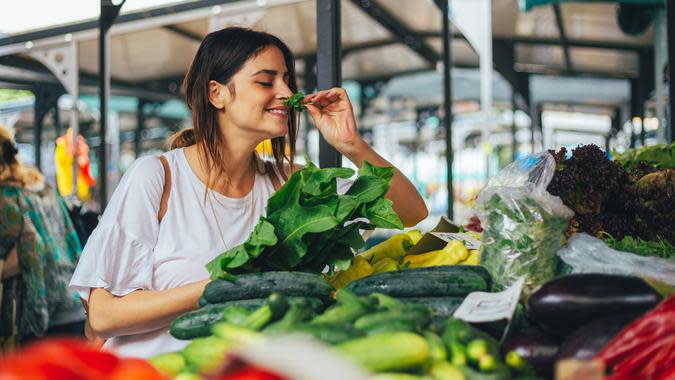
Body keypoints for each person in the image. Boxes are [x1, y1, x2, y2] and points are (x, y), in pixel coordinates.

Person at [69, 27, 428, 358]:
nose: (286, 93)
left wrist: (350, 143)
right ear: (217, 93)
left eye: (287, 80)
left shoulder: (288, 185)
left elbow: (411, 211)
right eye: (265, 81)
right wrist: (226, 285)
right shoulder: (157, 177)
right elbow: (102, 316)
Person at [0, 125, 85, 349]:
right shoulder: (40, 185)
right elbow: (72, 240)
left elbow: (30, 246)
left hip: (40, 319)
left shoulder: (6, 194)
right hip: (74, 305)